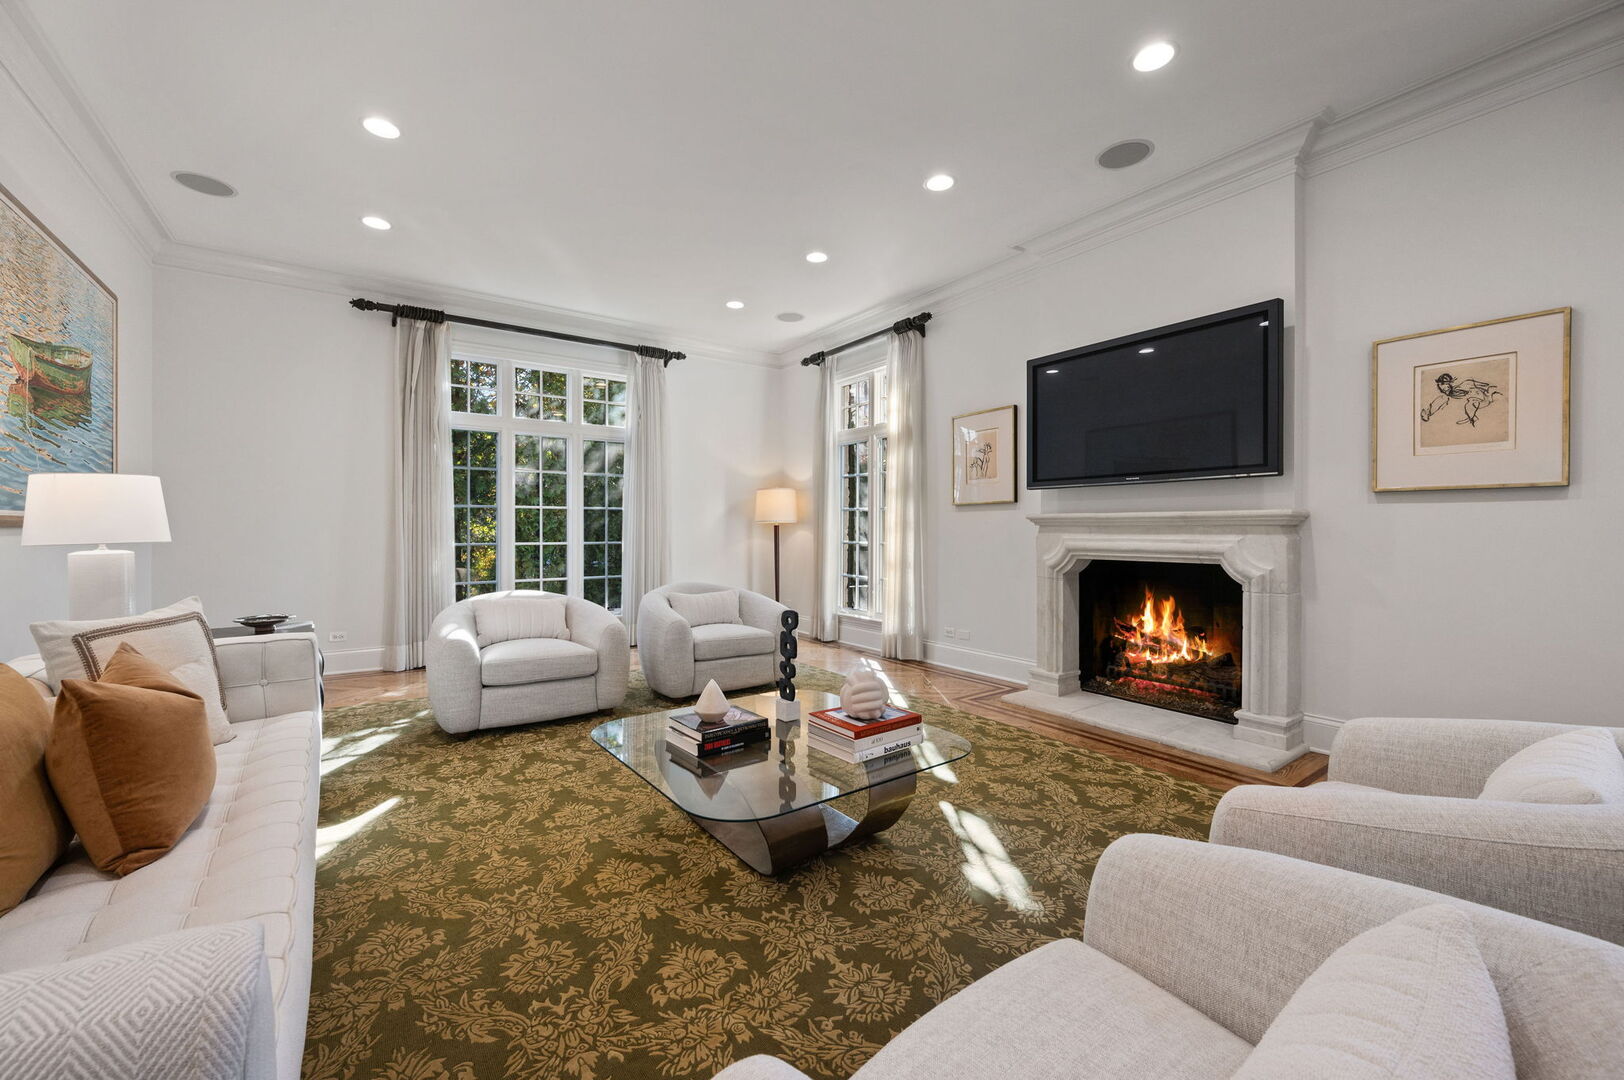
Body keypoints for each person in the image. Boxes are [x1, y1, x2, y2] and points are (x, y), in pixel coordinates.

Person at [1420, 371, 1502, 427]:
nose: (1444, 389)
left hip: (1487, 397)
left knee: (1472, 402)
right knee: (1471, 403)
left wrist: (1490, 392)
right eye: (1442, 388)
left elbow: (1487, 386)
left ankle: (1472, 418)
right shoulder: (1447, 395)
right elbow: (1441, 399)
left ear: (1451, 383)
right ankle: (1472, 418)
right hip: (1476, 402)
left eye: (1446, 386)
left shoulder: (1466, 384)